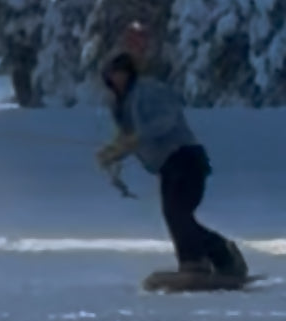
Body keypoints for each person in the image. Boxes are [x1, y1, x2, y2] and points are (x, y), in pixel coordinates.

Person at [96, 52, 247, 277]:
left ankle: (197, 262)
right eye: (112, 75)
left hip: (185, 158)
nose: (116, 79)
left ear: (128, 73)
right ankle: (216, 258)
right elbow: (130, 136)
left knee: (177, 213)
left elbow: (167, 119)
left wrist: (136, 138)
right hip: (168, 165)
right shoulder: (123, 103)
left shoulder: (148, 90)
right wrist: (114, 152)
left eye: (119, 73)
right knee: (176, 215)